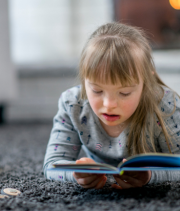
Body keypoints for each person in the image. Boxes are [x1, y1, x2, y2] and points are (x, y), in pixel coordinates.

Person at [43, 22, 180, 189]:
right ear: (85, 80)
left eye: (125, 93)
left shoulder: (166, 105)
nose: (109, 105)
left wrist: (150, 176)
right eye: (97, 90)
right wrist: (76, 175)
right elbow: (52, 164)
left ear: (146, 83)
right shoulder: (73, 104)